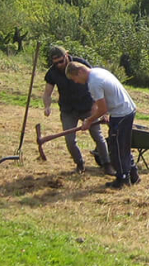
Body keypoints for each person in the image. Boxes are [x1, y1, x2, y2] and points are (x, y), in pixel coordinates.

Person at [66, 61, 139, 189]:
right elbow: (99, 103)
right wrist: (97, 115)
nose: (76, 82)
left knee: (116, 148)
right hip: (127, 109)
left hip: (121, 113)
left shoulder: (93, 82)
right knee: (123, 146)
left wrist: (89, 120)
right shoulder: (97, 72)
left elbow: (103, 108)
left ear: (80, 72)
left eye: (75, 78)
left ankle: (122, 180)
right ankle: (133, 175)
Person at [42, 46, 113, 175]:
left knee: (97, 135)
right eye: (55, 63)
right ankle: (79, 164)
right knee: (70, 140)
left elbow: (97, 85)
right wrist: (47, 106)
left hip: (88, 107)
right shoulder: (52, 73)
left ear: (66, 55)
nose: (59, 65)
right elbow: (47, 93)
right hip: (68, 110)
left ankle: (107, 164)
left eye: (61, 61)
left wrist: (101, 110)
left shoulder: (81, 65)